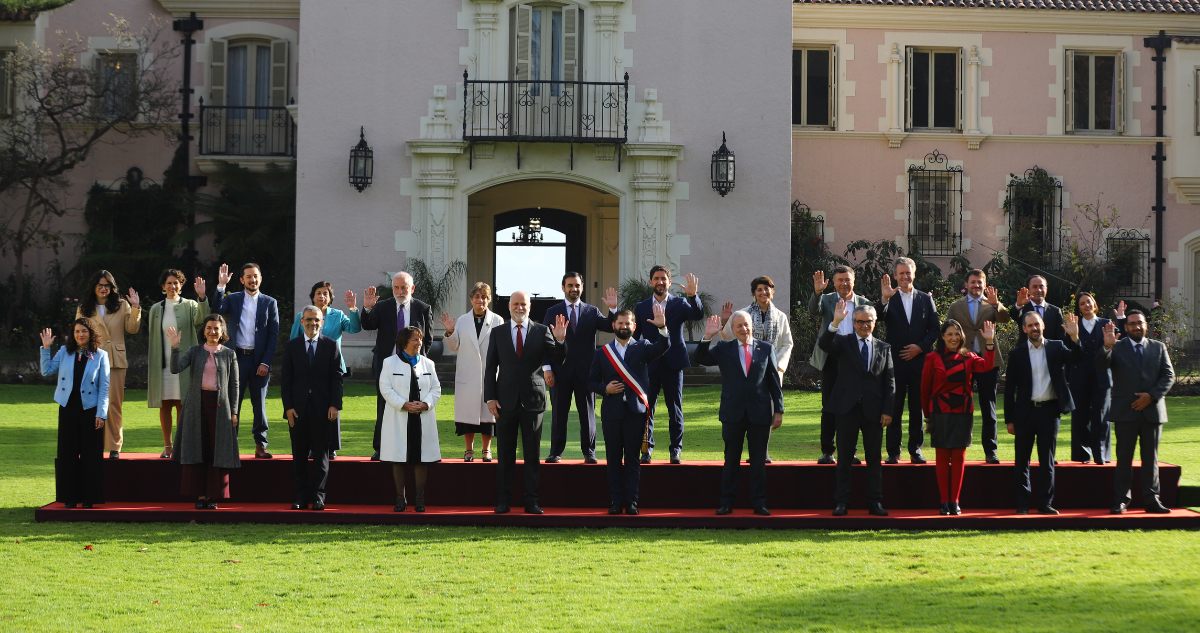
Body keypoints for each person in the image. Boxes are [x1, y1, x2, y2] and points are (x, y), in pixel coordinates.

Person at [484, 291, 568, 514]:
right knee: (505, 455)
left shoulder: (542, 331)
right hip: (504, 402)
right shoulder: (498, 332)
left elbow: (558, 359)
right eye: (516, 304)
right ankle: (504, 500)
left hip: (533, 401)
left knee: (532, 455)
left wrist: (560, 340)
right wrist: (490, 398)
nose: (519, 308)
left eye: (523, 304)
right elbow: (490, 367)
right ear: (509, 306)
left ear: (530, 307)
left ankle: (531, 501)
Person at [697, 312, 785, 516]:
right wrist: (708, 337)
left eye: (746, 325)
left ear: (751, 325)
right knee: (731, 461)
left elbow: (774, 382)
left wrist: (778, 410)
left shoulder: (766, 349)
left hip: (760, 413)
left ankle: (759, 503)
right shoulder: (723, 348)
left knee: (758, 462)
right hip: (732, 412)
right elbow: (700, 358)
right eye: (739, 326)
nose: (743, 329)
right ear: (733, 329)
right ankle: (727, 502)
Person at [588, 305, 670, 515]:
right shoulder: (602, 353)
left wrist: (662, 327)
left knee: (633, 459)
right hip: (612, 414)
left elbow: (664, 345)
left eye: (628, 323)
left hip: (635, 412)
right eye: (620, 323)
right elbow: (591, 382)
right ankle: (616, 502)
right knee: (614, 459)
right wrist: (604, 389)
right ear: (614, 325)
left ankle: (632, 502)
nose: (624, 326)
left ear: (634, 326)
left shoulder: (643, 347)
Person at [1004, 310, 1082, 515]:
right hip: (1025, 414)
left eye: (1037, 324)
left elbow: (1077, 359)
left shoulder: (1057, 347)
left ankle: (1045, 503)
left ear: (1043, 326)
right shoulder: (1017, 353)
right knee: (1022, 461)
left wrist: (1074, 338)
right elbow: (1009, 388)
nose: (1034, 328)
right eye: (1030, 325)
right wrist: (1009, 420)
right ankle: (1023, 504)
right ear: (1024, 329)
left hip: (1049, 412)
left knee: (1047, 461)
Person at [819, 301, 894, 517]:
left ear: (874, 322)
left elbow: (890, 382)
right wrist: (835, 322)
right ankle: (842, 503)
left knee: (873, 459)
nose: (864, 325)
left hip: (874, 411)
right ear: (853, 323)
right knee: (844, 460)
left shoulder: (884, 347)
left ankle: (875, 503)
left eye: (868, 321)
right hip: (846, 409)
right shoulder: (843, 342)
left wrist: (888, 410)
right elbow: (825, 344)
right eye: (859, 322)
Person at [1097, 311, 1176, 514]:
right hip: (1126, 412)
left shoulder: (1159, 347)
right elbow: (1100, 365)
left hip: (1152, 411)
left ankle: (1152, 500)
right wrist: (1106, 347)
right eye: (1132, 324)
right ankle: (1121, 500)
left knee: (1151, 459)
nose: (1136, 327)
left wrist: (1151, 396)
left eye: (1139, 323)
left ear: (1146, 325)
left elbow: (1169, 375)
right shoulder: (1117, 347)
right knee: (1124, 459)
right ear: (1126, 327)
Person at [920, 319, 996, 515]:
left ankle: (955, 502)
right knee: (943, 457)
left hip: (963, 412)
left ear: (962, 337)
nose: (954, 338)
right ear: (943, 337)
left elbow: (987, 366)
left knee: (960, 458)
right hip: (940, 412)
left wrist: (989, 342)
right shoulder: (932, 358)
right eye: (949, 334)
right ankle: (944, 501)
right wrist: (927, 417)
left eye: (957, 334)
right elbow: (924, 390)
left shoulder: (969, 357)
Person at [542, 273, 618, 464]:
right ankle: (555, 452)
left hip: (586, 373)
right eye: (570, 285)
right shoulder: (553, 311)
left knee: (588, 414)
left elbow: (611, 326)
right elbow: (544, 342)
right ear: (563, 287)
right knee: (559, 414)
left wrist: (613, 309)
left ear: (582, 287)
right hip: (559, 372)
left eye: (577, 285)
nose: (573, 289)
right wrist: (547, 368)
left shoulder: (592, 311)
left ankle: (589, 452)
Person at [167, 315, 241, 510]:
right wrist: (174, 347)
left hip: (220, 408)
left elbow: (234, 385)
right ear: (204, 330)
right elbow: (175, 368)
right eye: (209, 328)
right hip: (196, 407)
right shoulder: (194, 352)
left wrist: (234, 412)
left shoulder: (229, 354)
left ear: (222, 332)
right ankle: (200, 496)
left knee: (216, 451)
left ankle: (213, 497)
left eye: (216, 328)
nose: (212, 332)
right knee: (198, 449)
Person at [717, 275, 794, 463]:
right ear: (754, 293)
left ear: (772, 292)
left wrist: (779, 367)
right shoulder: (743, 314)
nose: (763, 292)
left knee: (765, 408)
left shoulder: (781, 317)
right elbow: (727, 338)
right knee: (750, 408)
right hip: (749, 368)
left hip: (772, 369)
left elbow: (787, 344)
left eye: (767, 288)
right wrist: (725, 321)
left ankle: (761, 451)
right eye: (759, 289)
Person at [632, 266, 704, 464]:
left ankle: (676, 451)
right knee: (647, 409)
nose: (660, 282)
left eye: (664, 279)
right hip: (650, 365)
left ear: (669, 282)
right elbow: (635, 338)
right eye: (656, 279)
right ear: (650, 282)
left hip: (674, 363)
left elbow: (698, 315)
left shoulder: (680, 303)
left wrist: (693, 296)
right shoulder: (641, 307)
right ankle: (646, 450)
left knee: (675, 408)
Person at [362, 271, 433, 461]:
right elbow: (369, 325)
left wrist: (419, 363)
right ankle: (381, 448)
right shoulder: (383, 306)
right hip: (388, 366)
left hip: (413, 368)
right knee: (384, 408)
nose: (400, 291)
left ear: (412, 288)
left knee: (413, 408)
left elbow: (427, 340)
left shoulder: (423, 308)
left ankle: (414, 449)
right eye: (396, 287)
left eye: (404, 287)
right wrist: (368, 309)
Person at [40, 320, 110, 509]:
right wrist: (45, 348)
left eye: (84, 331)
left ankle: (89, 499)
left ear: (91, 333)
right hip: (68, 408)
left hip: (90, 410)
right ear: (73, 334)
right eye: (77, 331)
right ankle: (69, 498)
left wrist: (101, 414)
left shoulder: (101, 355)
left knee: (90, 455)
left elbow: (104, 388)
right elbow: (46, 371)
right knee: (67, 454)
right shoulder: (64, 352)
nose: (80, 335)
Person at [288, 280, 361, 459]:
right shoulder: (302, 315)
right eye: (318, 293)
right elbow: (293, 341)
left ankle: (331, 446)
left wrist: (353, 309)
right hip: (308, 369)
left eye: (326, 293)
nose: (322, 296)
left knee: (332, 406)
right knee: (310, 408)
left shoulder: (338, 315)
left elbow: (355, 328)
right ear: (312, 296)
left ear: (330, 297)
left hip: (332, 368)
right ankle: (313, 446)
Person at [281, 306, 344, 511]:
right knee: (299, 456)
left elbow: (337, 378)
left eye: (316, 320)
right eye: (308, 320)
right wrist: (288, 407)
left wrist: (335, 405)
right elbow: (286, 381)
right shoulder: (291, 346)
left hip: (323, 409)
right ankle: (301, 496)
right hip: (297, 410)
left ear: (322, 322)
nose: (312, 323)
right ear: (301, 322)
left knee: (321, 455)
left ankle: (318, 496)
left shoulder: (331, 345)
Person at [214, 263, 280, 459]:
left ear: (260, 278)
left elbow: (273, 335)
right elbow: (216, 310)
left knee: (259, 404)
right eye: (249, 277)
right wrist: (221, 287)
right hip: (237, 359)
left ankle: (261, 444)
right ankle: (230, 445)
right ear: (242, 280)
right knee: (233, 404)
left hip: (260, 361)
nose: (253, 280)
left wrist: (266, 363)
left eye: (256, 276)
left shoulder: (270, 302)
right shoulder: (233, 298)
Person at [879, 257, 940, 465]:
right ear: (895, 276)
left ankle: (915, 450)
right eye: (901, 273)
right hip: (894, 364)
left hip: (918, 364)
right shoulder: (889, 297)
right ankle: (893, 452)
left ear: (914, 274)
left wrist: (920, 347)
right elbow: (876, 318)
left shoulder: (925, 299)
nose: (905, 276)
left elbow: (935, 329)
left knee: (917, 409)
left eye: (908, 273)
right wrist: (884, 300)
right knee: (893, 409)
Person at [946, 269, 1010, 463]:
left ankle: (991, 451)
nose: (976, 286)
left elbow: (1006, 318)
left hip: (988, 358)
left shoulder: (991, 305)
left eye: (979, 282)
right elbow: (948, 330)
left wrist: (997, 304)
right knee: (958, 404)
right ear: (966, 285)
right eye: (973, 282)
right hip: (962, 359)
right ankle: (956, 446)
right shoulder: (956, 306)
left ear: (985, 284)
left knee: (988, 404)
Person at [809, 266, 871, 464]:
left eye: (847, 279)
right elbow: (814, 310)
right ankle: (828, 451)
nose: (844, 283)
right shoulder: (827, 299)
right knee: (829, 405)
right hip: (831, 356)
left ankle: (849, 451)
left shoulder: (864, 303)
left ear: (854, 281)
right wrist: (818, 292)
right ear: (834, 283)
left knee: (851, 406)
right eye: (840, 280)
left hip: (854, 358)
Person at [76, 270, 140, 460]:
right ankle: (91, 444)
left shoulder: (121, 305)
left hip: (115, 360)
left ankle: (114, 446)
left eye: (107, 286)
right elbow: (78, 334)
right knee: (89, 404)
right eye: (100, 285)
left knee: (113, 404)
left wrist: (135, 307)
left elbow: (132, 329)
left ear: (112, 288)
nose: (104, 289)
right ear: (94, 287)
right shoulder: (84, 307)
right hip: (91, 360)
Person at [439, 282, 505, 462]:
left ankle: (486, 450)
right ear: (471, 299)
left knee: (488, 415)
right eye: (477, 296)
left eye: (484, 296)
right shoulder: (462, 320)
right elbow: (454, 347)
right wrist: (450, 330)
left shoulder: (498, 320)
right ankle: (468, 450)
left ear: (489, 299)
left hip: (489, 375)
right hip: (467, 376)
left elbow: (502, 347)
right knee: (467, 416)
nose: (480, 300)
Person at [147, 269, 209, 460]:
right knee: (165, 405)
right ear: (163, 286)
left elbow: (202, 318)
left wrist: (202, 297)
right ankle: (167, 446)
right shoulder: (156, 308)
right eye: (169, 283)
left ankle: (182, 446)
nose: (173, 286)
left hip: (183, 364)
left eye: (176, 283)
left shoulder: (190, 305)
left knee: (183, 403)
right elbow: (151, 336)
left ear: (181, 285)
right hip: (162, 365)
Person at [380, 326, 443, 512]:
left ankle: (419, 498)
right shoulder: (389, 363)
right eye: (415, 339)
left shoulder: (428, 364)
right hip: (400, 417)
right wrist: (403, 404)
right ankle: (400, 498)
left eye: (420, 339)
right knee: (399, 457)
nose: (419, 343)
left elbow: (436, 388)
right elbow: (385, 388)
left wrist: (425, 404)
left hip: (421, 417)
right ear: (404, 342)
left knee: (420, 457)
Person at [1068, 294, 1125, 464]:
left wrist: (1120, 318)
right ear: (1079, 307)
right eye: (1082, 303)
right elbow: (1069, 352)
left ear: (1095, 304)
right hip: (1079, 376)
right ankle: (1082, 455)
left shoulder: (1105, 323)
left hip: (1101, 377)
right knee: (1080, 417)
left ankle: (1101, 454)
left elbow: (1120, 339)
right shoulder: (1074, 325)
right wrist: (1073, 337)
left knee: (1101, 416)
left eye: (1089, 302)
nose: (1086, 305)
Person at [1013, 275, 1064, 344]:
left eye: (1041, 287)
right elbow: (1014, 315)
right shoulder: (1023, 309)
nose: (1038, 290)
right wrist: (1019, 305)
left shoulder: (1055, 311)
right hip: (1026, 352)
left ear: (1046, 290)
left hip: (1049, 352)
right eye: (1035, 287)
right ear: (1028, 290)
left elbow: (1060, 337)